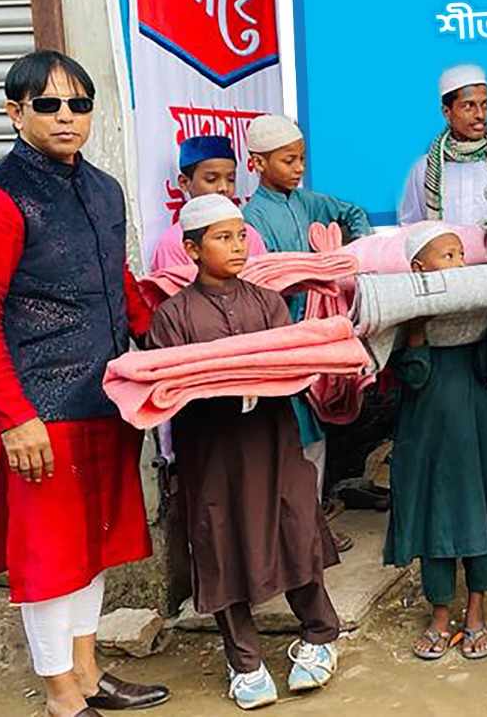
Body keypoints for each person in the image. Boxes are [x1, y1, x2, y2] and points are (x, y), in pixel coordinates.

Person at [0, 50, 169, 717]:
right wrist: (14, 417)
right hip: (40, 411)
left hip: (108, 397)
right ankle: (62, 696)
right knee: (49, 557)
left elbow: (117, 282)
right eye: (47, 104)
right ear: (15, 113)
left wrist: (169, 352)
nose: (66, 116)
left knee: (92, 545)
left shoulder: (103, 189)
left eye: (79, 103)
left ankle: (89, 673)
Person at [145, 195, 341, 710]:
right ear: (192, 249)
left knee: (295, 530)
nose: (237, 246)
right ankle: (245, 661)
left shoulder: (269, 303)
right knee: (221, 542)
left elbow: (294, 364)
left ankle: (321, 634)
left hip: (274, 441)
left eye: (240, 236)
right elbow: (170, 384)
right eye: (222, 238)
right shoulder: (172, 316)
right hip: (213, 453)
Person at [397, 64, 487, 493]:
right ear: (447, 111)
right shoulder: (425, 169)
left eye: (485, 105)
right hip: (445, 298)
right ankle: (457, 483)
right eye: (469, 106)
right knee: (451, 388)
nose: (479, 115)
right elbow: (412, 231)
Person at [385, 222, 487, 663]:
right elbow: (414, 378)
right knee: (434, 517)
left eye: (461, 254)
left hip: (475, 425)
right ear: (419, 267)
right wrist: (417, 333)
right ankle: (440, 616)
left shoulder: (472, 307)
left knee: (481, 511)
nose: (459, 263)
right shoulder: (404, 310)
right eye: (448, 255)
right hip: (425, 431)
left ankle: (476, 613)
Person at [241, 113, 372, 552]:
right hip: (284, 341)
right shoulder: (252, 219)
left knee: (314, 441)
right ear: (258, 163)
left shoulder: (306, 202)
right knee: (290, 444)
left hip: (317, 338)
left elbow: (351, 213)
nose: (298, 168)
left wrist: (356, 257)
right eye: (288, 160)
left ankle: (310, 531)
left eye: (301, 159)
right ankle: (294, 539)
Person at [148, 134, 268, 272]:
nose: (223, 188)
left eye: (230, 179)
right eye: (211, 179)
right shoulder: (173, 243)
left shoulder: (249, 234)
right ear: (184, 182)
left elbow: (262, 279)